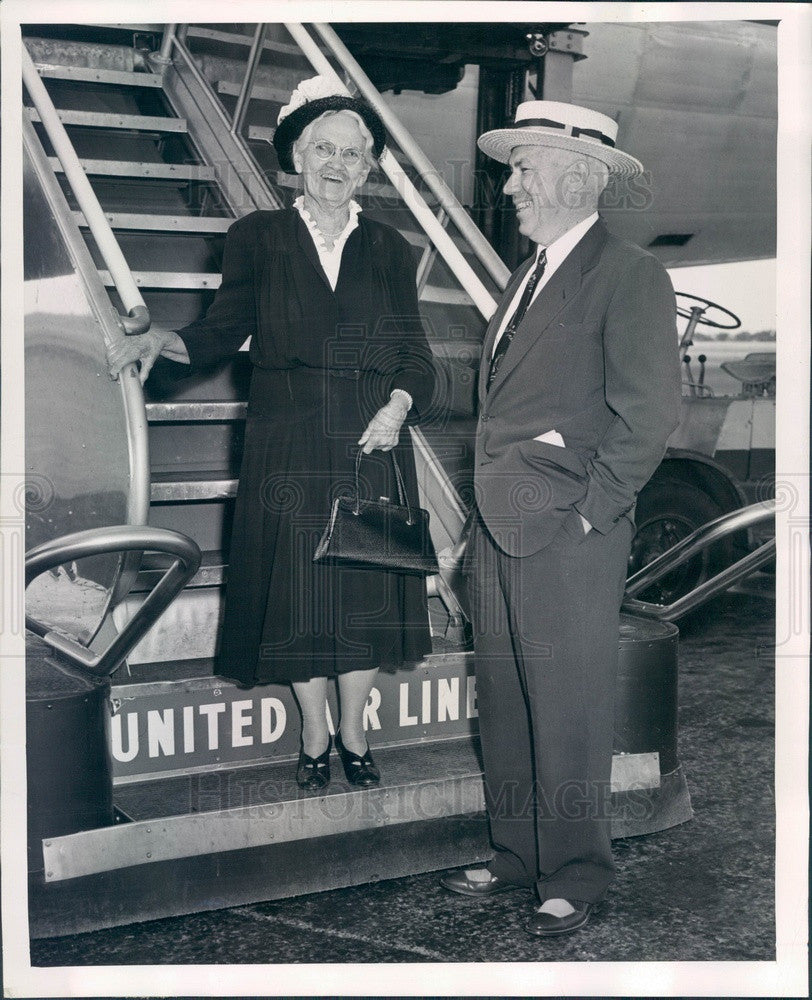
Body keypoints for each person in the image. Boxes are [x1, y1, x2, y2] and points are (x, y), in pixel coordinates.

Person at [107, 76, 434, 792]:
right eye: (323, 148)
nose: (337, 163)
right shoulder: (256, 237)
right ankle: (315, 730)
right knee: (301, 601)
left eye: (353, 153)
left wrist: (400, 405)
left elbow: (415, 351)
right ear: (296, 156)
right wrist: (164, 341)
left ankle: (354, 727)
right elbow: (222, 331)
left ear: (369, 166)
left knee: (365, 600)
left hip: (373, 440)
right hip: (286, 440)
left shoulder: (390, 247)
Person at [439, 101, 681, 936]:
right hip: (502, 530)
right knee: (505, 698)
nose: (509, 186)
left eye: (523, 168)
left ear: (579, 177)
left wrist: (591, 517)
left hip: (569, 535)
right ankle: (518, 851)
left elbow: (646, 416)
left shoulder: (629, 275)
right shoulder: (528, 275)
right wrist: (476, 531)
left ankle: (576, 870)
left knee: (569, 703)